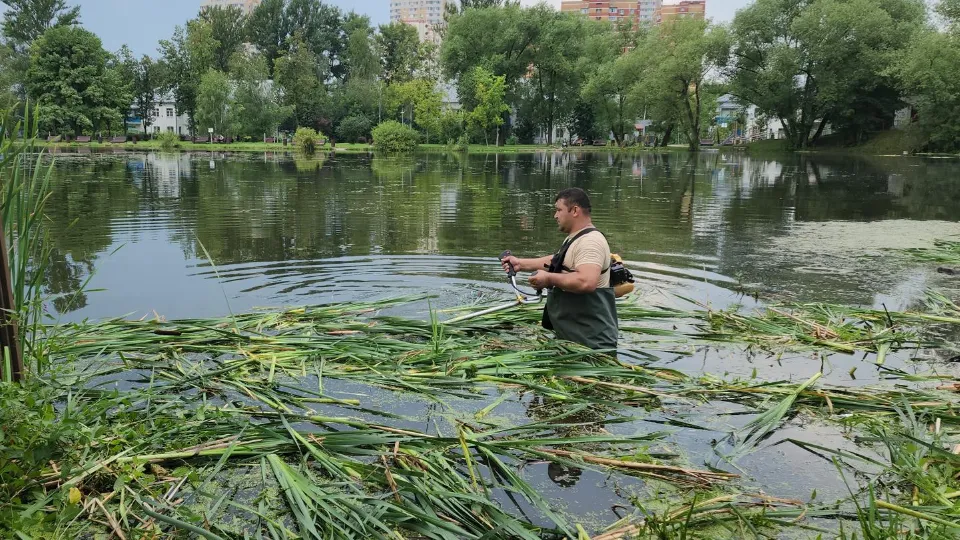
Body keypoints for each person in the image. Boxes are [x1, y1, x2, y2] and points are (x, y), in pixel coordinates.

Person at [501, 188, 618, 350]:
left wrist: (548, 279)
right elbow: (558, 261)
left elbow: (586, 282)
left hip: (591, 343)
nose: (555, 215)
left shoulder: (591, 242)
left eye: (559, 210)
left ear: (575, 210)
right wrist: (520, 264)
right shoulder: (576, 238)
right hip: (572, 337)